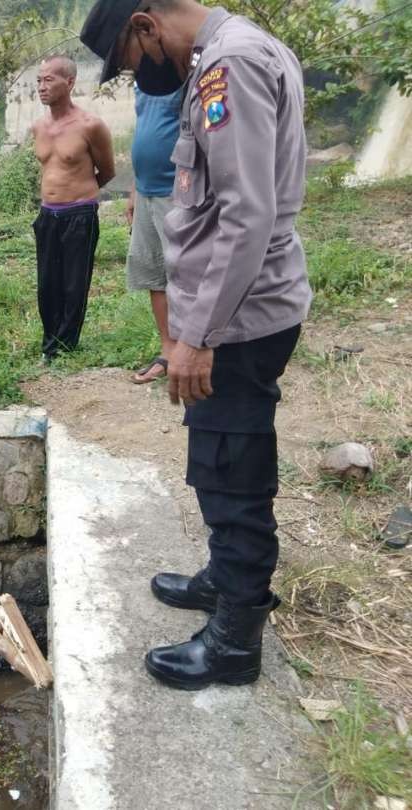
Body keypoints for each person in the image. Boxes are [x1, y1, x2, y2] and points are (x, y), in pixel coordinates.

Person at [82, 0, 312, 690]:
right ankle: (223, 578)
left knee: (232, 469)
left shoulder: (228, 66)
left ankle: (236, 639)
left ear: (146, 26)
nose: (139, 76)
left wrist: (197, 335)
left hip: (237, 318)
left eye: (130, 62)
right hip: (235, 308)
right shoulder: (234, 50)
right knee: (219, 453)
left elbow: (247, 213)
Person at [30, 56, 115, 362]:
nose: (42, 86)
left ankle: (64, 346)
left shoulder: (90, 126)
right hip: (47, 213)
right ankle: (49, 338)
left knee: (74, 282)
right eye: (39, 80)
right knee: (47, 283)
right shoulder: (38, 126)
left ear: (70, 82)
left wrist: (81, 197)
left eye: (49, 80)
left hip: (79, 213)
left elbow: (107, 171)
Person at [126, 83, 180, 384]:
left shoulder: (188, 73)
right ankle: (168, 351)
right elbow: (143, 132)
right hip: (146, 191)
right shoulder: (145, 83)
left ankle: (194, 348)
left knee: (184, 275)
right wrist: (134, 190)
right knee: (153, 274)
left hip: (177, 193)